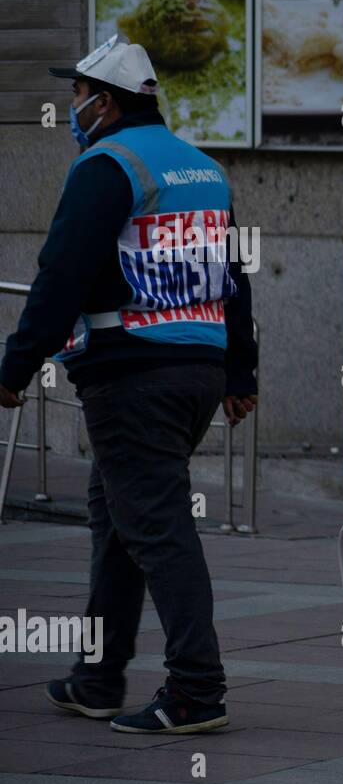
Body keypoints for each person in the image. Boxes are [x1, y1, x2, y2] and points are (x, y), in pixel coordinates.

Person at [0, 36, 258, 733]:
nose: (73, 107)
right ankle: (98, 676)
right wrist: (241, 370)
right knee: (118, 519)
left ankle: (196, 690)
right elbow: (235, 278)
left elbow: (63, 273)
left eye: (79, 95)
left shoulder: (106, 165)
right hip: (197, 370)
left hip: (132, 371)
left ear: (106, 102)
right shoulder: (203, 170)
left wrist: (16, 365)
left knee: (157, 524)